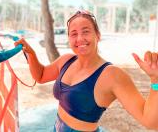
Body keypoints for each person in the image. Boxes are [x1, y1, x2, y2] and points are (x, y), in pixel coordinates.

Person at [15, 10, 158, 132]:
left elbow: (149, 121)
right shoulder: (66, 60)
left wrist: (155, 80)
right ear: (69, 38)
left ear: (98, 35)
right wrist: (31, 54)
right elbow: (41, 75)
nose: (80, 38)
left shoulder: (112, 75)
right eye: (74, 34)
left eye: (86, 31)